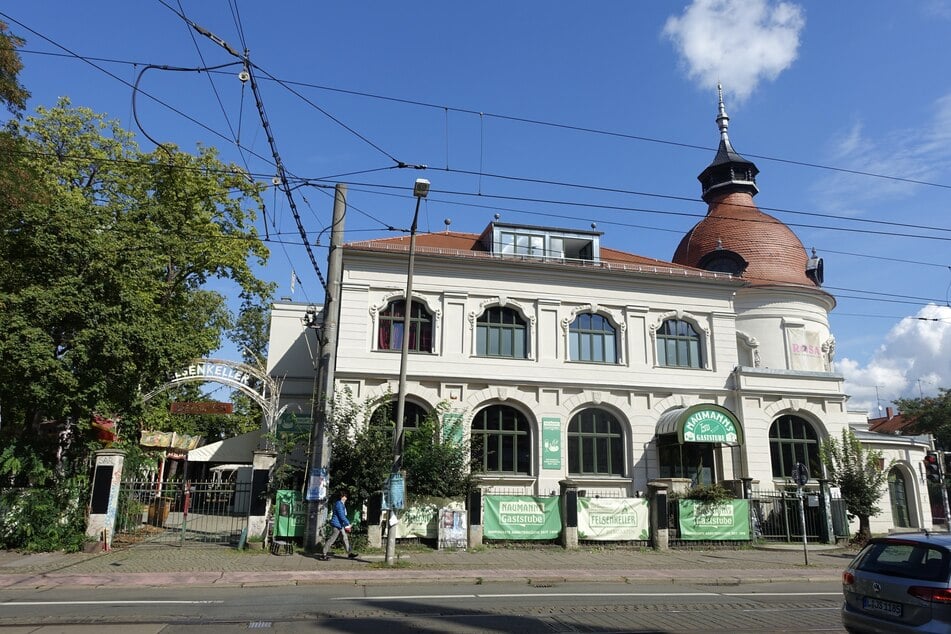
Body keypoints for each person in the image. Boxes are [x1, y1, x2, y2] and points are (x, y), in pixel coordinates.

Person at [319, 490, 358, 560]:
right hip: (336, 525)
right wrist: (348, 523)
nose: (346, 498)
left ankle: (349, 553)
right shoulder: (339, 504)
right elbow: (341, 516)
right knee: (332, 539)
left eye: (346, 496)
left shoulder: (341, 504)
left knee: (345, 538)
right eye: (345, 496)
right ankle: (323, 554)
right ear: (341, 497)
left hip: (340, 525)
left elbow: (342, 516)